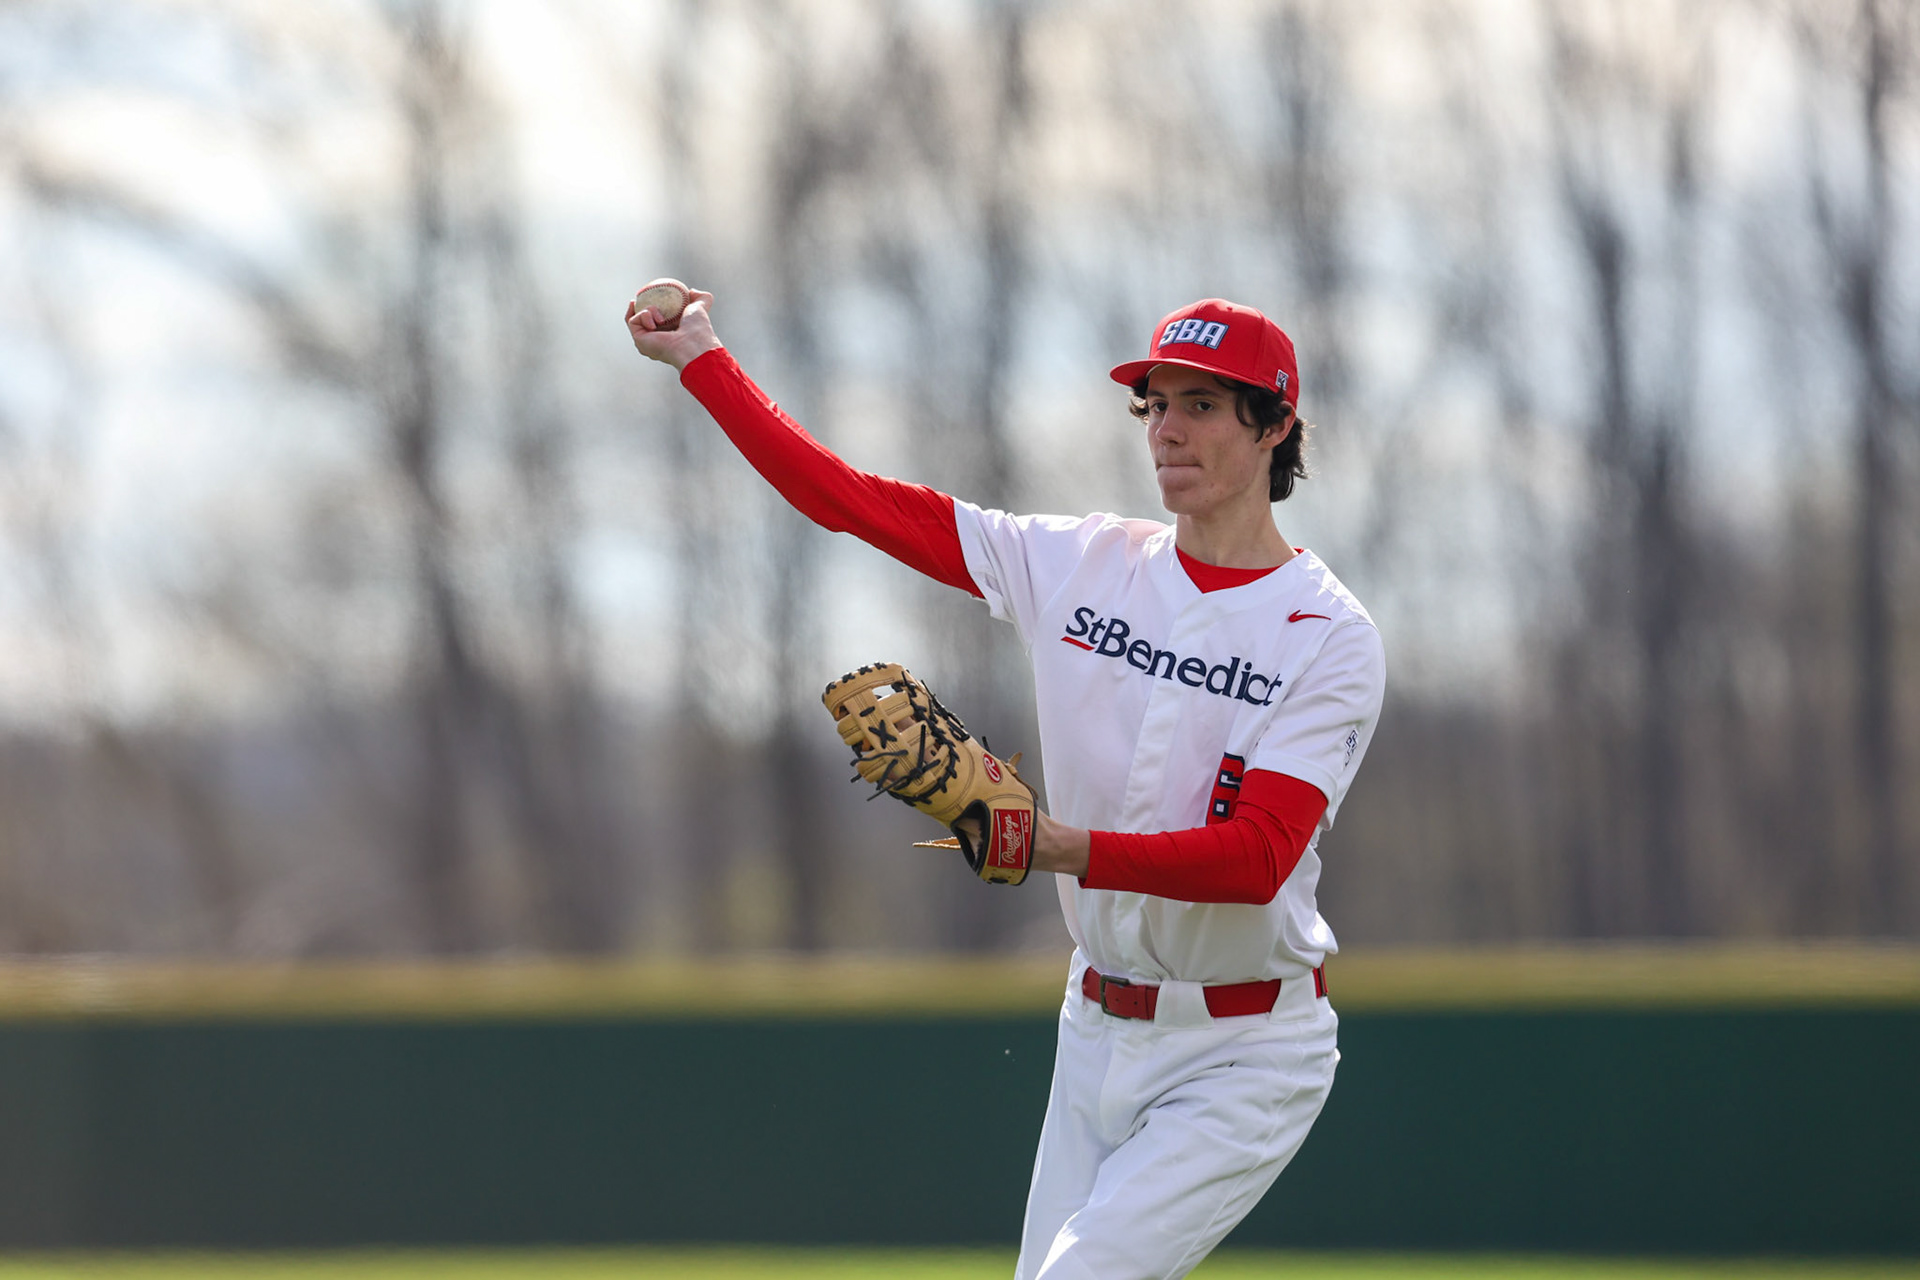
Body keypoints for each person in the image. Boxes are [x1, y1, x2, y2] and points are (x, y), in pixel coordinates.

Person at [628, 288, 1385, 1280]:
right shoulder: (1078, 564)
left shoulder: (1328, 636)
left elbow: (1257, 860)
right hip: (1097, 1026)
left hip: (1243, 1048)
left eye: (1202, 404)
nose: (1168, 428)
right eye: (1156, 402)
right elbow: (846, 499)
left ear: (1276, 423)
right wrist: (703, 361)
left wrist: (1060, 844)